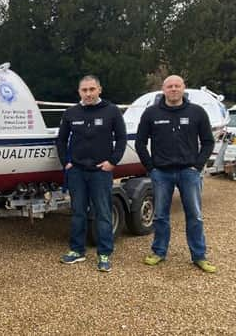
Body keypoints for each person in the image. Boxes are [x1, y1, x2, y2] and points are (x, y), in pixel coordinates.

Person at [135, 75, 216, 273]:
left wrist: (197, 166)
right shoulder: (151, 113)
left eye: (177, 86)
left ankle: (199, 256)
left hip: (189, 173)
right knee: (161, 215)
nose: (173, 89)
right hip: (161, 173)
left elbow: (208, 142)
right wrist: (151, 168)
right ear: (163, 89)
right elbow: (140, 143)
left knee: (195, 216)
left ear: (183, 88)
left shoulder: (197, 112)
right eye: (169, 86)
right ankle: (159, 252)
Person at [56, 75, 127, 272]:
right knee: (78, 212)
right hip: (77, 171)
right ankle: (77, 251)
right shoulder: (71, 112)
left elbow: (122, 138)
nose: (88, 93)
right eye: (84, 90)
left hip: (100, 172)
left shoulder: (111, 111)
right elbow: (61, 140)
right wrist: (66, 163)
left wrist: (113, 162)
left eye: (92, 89)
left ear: (99, 90)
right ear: (79, 92)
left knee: (103, 213)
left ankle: (104, 253)